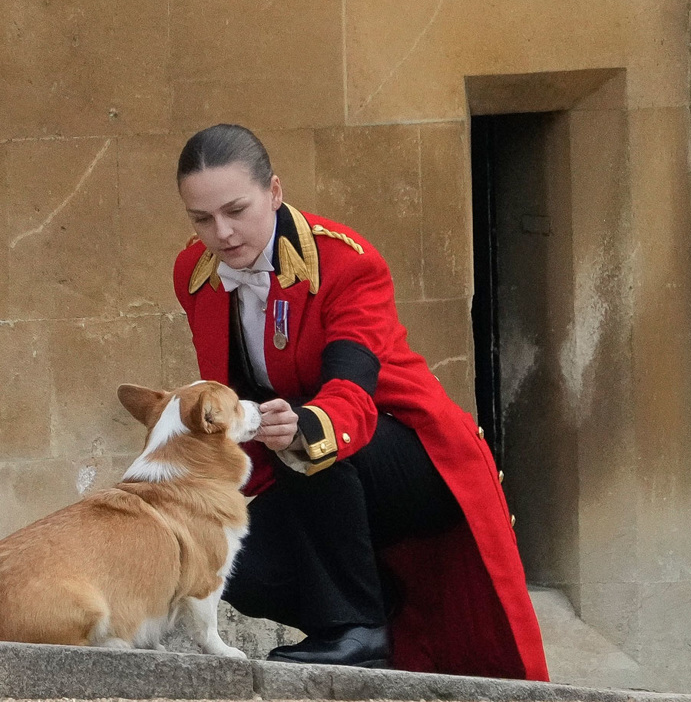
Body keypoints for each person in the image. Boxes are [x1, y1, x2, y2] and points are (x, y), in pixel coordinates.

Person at [171, 124, 549, 677]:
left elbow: (351, 392)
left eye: (236, 210)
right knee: (224, 560)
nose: (222, 233)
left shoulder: (346, 261)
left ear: (274, 192)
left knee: (312, 447)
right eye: (202, 219)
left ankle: (356, 631)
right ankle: (380, 614)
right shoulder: (194, 274)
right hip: (303, 464)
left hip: (412, 456)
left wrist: (302, 426)